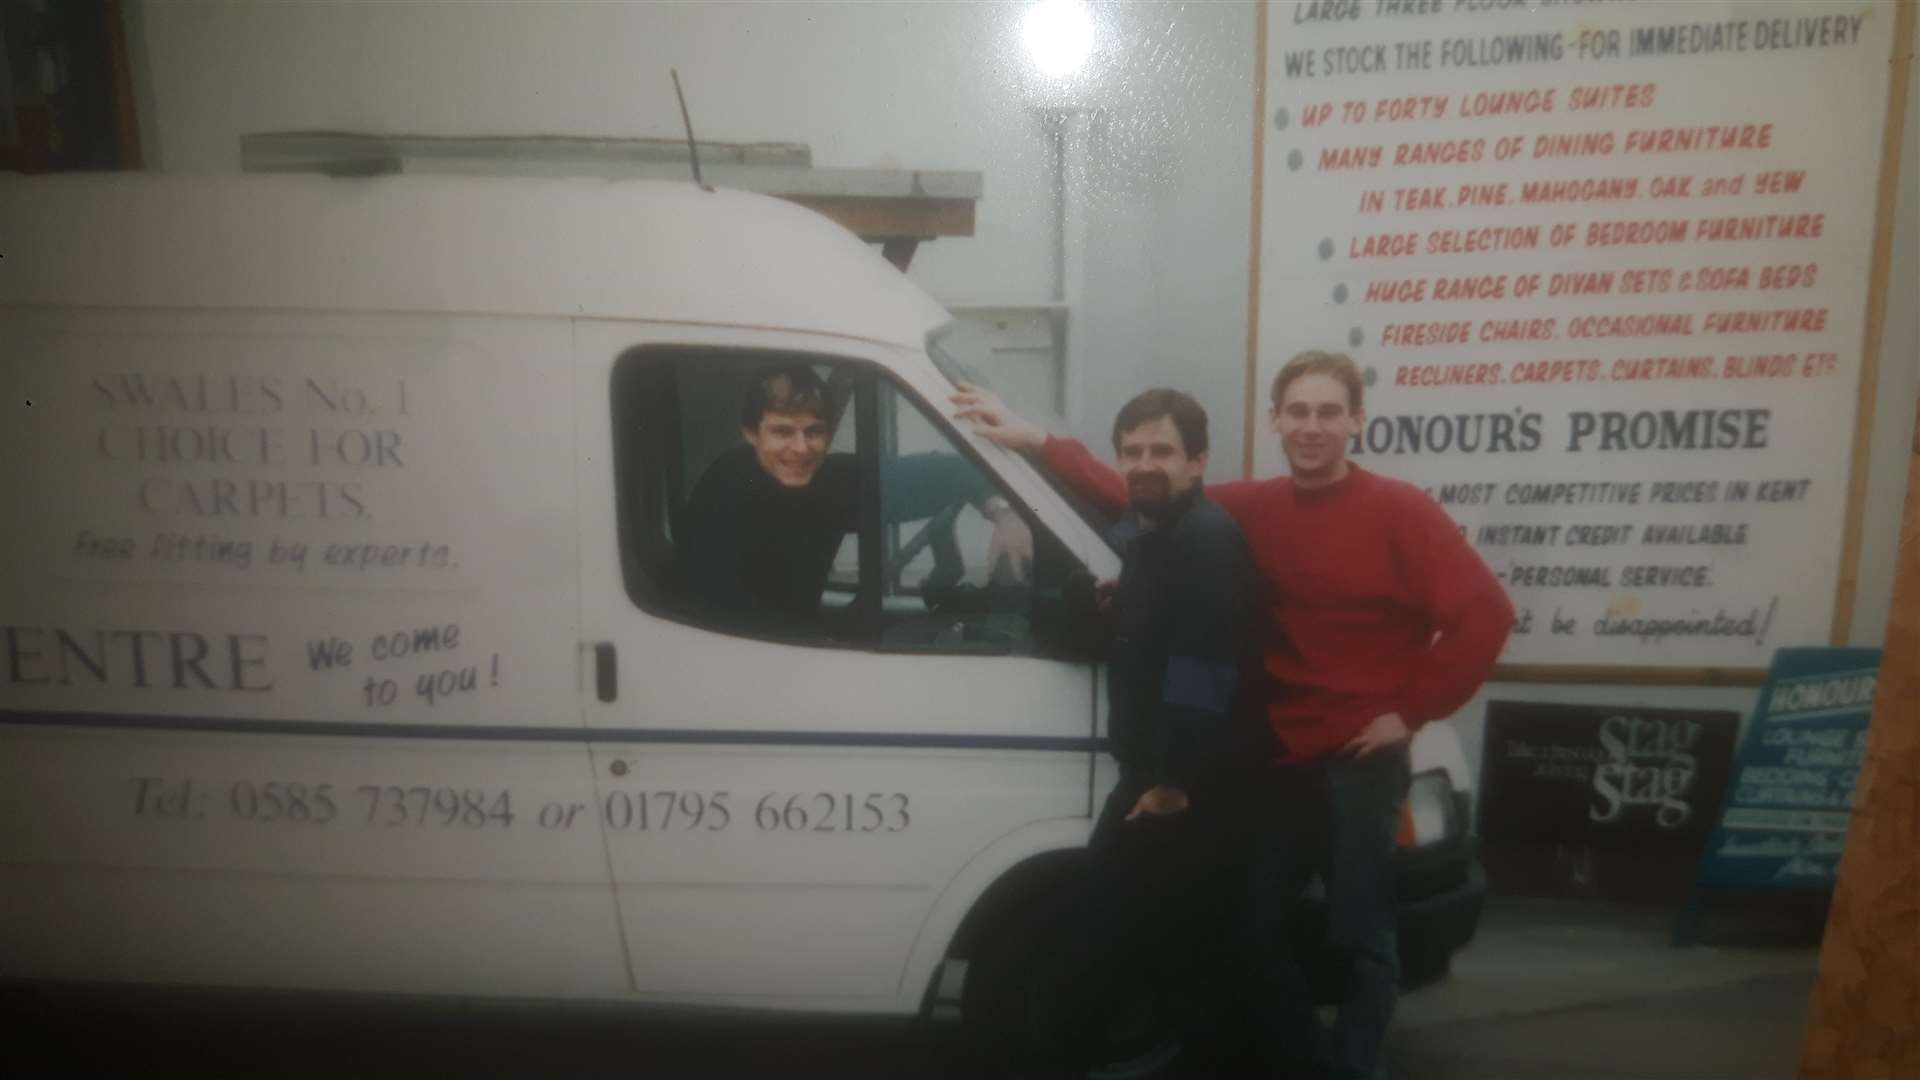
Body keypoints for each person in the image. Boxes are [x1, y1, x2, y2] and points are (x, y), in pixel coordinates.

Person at [955, 352, 1514, 1080]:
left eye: (1328, 413)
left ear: (1356, 422)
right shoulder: (1254, 508)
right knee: (1252, 928)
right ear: (1276, 420)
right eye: (1299, 412)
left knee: (1360, 934)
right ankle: (1297, 1057)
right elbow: (1146, 490)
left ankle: (1355, 1066)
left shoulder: (1401, 511)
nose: (1312, 428)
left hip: (1359, 760)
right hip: (1277, 756)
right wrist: (1032, 440)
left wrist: (1411, 712)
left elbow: (1485, 615)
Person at [1049, 389, 1266, 1077]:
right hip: (1162, 778)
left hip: (1181, 790)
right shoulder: (1147, 536)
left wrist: (1173, 783)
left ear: (1197, 461)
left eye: (1162, 452)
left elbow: (1206, 667)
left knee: (1120, 939)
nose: (1145, 464)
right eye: (1133, 451)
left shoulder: (1204, 540)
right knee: (1171, 946)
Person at [678, 363, 1029, 638]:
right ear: (751, 434)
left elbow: (951, 471)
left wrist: (1005, 515)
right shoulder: (722, 493)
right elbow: (723, 617)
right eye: (783, 431)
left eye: (814, 432)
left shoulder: (828, 479)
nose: (801, 448)